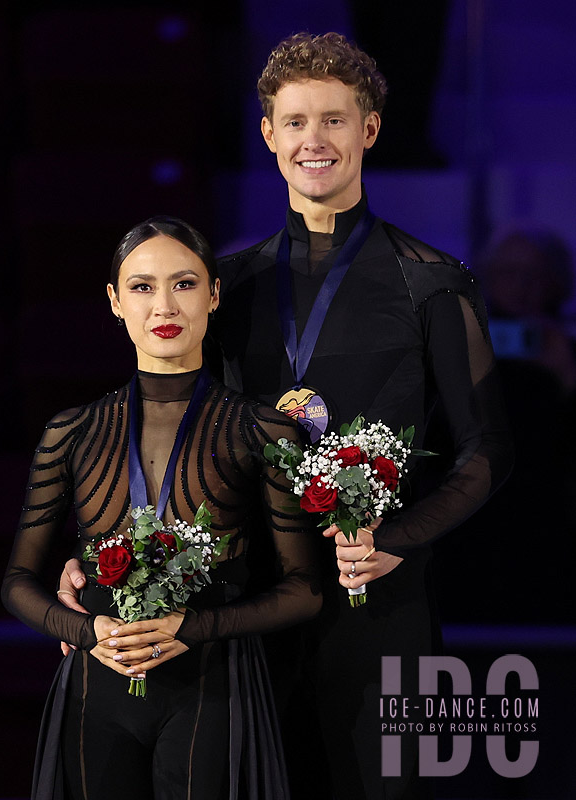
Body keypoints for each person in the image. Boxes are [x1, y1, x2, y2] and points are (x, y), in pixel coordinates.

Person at [59, 33, 513, 800]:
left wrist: (394, 542)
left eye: (335, 120)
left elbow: (486, 451)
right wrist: (103, 554)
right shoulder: (227, 285)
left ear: (369, 130)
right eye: (295, 122)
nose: (315, 140)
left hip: (380, 614)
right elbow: (166, 429)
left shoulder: (432, 284)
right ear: (268, 135)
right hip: (246, 614)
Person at [2, 216, 322, 800]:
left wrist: (192, 628)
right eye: (142, 287)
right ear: (115, 301)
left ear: (214, 294)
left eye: (185, 283)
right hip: (94, 685)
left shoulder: (262, 430)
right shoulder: (71, 432)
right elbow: (18, 583)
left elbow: (305, 588)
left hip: (214, 682)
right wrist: (87, 629)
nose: (164, 306)